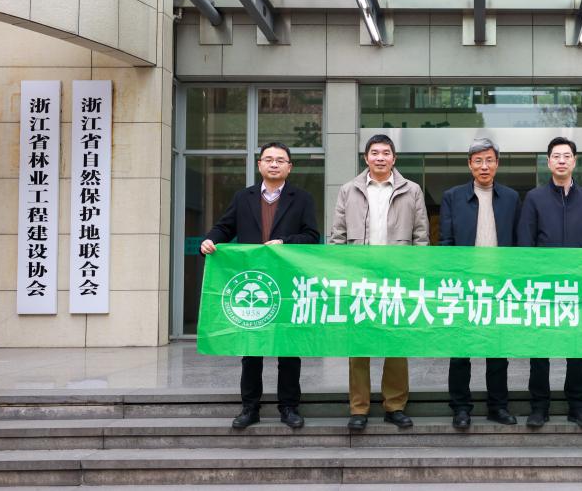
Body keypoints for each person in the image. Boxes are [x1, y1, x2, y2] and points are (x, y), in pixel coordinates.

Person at [200, 142, 321, 430]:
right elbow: (225, 227)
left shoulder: (302, 198)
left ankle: (289, 407)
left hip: (287, 282)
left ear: (290, 167)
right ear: (259, 165)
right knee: (251, 348)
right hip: (253, 283)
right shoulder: (244, 197)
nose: (274, 164)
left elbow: (311, 236)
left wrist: (285, 242)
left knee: (288, 348)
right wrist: (211, 240)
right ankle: (250, 408)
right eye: (268, 159)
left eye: (280, 160)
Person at [330, 134, 429, 430]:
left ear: (394, 158)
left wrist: (414, 275)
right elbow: (337, 236)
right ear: (366, 158)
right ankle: (358, 408)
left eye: (386, 153)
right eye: (375, 153)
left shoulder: (411, 190)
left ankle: (394, 405)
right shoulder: (349, 190)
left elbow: (421, 236)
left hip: (397, 277)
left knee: (396, 343)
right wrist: (340, 274)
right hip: (359, 277)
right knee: (358, 346)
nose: (380, 157)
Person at [517, 137, 582, 428]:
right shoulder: (534, 198)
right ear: (549, 162)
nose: (562, 160)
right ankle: (539, 406)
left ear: (574, 161)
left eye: (567, 156)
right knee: (539, 352)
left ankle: (578, 406)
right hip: (542, 288)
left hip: (578, 288)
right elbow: (525, 245)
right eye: (556, 156)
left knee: (577, 351)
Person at [440, 138, 521, 429]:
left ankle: (498, 406)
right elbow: (446, 242)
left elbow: (519, 242)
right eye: (478, 161)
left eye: (489, 160)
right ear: (469, 165)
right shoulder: (452, 197)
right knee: (460, 351)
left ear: (497, 164)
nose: (484, 166)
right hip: (464, 284)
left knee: (497, 350)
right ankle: (461, 407)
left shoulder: (511, 198)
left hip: (500, 285)